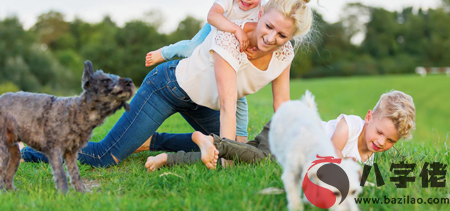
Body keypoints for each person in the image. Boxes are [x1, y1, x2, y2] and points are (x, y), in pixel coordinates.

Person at [21, 0, 316, 168]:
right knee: (102, 157)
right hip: (167, 87)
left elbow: (282, 106)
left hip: (201, 103)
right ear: (261, 13)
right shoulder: (231, 38)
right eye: (268, 26)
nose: (271, 37)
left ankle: (150, 141)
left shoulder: (283, 53)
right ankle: (33, 149)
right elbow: (228, 104)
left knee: (243, 148)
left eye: (282, 35)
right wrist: (226, 160)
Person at [145, 0, 281, 142]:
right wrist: (236, 29)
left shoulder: (263, 10)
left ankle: (240, 141)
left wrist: (255, 49)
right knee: (191, 49)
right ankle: (164, 52)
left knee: (237, 92)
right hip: (218, 27)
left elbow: (261, 35)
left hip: (233, 50)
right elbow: (213, 16)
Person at [144, 90, 416, 171]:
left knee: (228, 164)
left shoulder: (371, 156)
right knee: (263, 160)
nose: (381, 141)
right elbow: (331, 155)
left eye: (391, 140)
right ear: (370, 117)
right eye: (380, 132)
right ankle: (207, 138)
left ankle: (167, 157)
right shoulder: (352, 125)